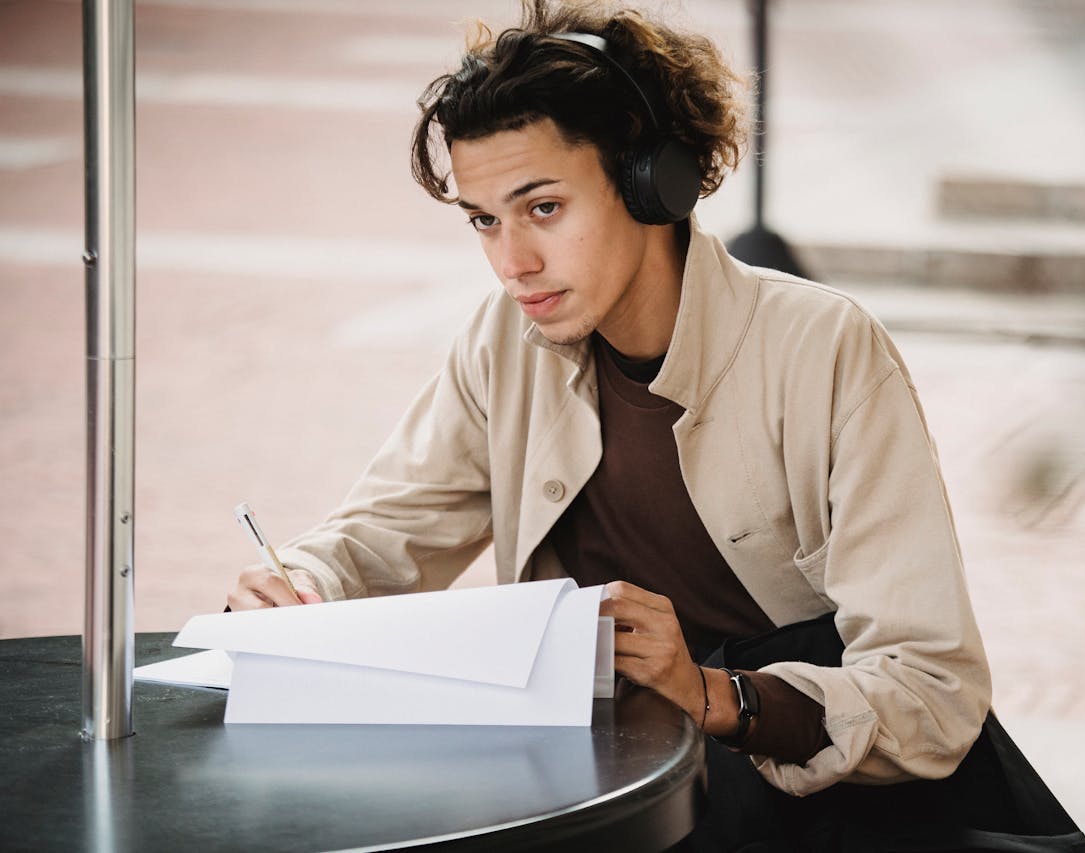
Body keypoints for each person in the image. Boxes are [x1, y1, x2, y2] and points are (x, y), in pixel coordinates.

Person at [227, 1, 994, 848]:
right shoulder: (502, 340)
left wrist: (711, 693)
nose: (511, 261)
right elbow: (384, 532)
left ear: (650, 181)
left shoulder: (826, 350)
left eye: (543, 207)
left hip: (801, 811)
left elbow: (933, 691)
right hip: (593, 795)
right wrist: (296, 584)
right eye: (485, 219)